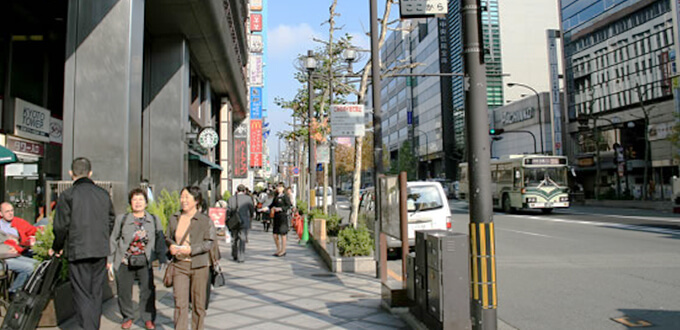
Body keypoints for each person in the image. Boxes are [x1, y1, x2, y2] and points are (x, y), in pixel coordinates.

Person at [50, 157, 116, 330]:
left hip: (78, 250)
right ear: (90, 172)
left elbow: (60, 226)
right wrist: (101, 237)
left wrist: (57, 247)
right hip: (99, 250)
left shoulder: (68, 195)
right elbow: (111, 219)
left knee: (81, 294)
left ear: (71, 173)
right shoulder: (103, 194)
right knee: (95, 293)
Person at [108, 188, 166, 329]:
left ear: (146, 203)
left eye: (141, 199)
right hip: (125, 261)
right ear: (130, 203)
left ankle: (148, 318)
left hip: (145, 261)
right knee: (124, 292)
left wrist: (162, 257)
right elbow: (113, 240)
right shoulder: (122, 219)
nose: (138, 202)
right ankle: (128, 317)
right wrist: (110, 260)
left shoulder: (153, 219)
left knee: (147, 291)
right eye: (135, 199)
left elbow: (160, 239)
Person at [166, 186, 216, 330]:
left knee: (198, 305)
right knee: (180, 304)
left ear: (196, 200)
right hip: (179, 265)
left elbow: (209, 242)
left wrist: (191, 249)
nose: (183, 200)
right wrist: (171, 246)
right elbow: (168, 237)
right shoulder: (174, 218)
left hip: (199, 266)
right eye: (182, 197)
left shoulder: (204, 220)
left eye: (187, 197)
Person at [0, 202, 39, 294]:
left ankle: (15, 290)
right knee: (31, 268)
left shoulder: (17, 222)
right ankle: (15, 293)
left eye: (12, 211)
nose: (10, 213)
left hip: (14, 254)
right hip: (3, 258)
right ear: (1, 214)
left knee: (38, 265)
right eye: (7, 211)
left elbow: (32, 231)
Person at [227, 184, 255, 263]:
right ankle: (241, 256)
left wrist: (227, 220)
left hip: (234, 221)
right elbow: (252, 209)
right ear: (244, 191)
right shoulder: (248, 199)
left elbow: (228, 211)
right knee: (242, 238)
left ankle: (234, 254)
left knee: (234, 238)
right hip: (244, 221)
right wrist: (251, 217)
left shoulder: (231, 199)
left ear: (237, 190)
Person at [269, 182, 292, 257]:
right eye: (277, 187)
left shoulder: (285, 196)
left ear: (283, 188)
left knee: (283, 234)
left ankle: (283, 250)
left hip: (282, 216)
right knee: (275, 234)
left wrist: (281, 209)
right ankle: (278, 249)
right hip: (276, 217)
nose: (278, 188)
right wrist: (265, 208)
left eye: (279, 187)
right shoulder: (276, 196)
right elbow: (272, 205)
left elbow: (289, 205)